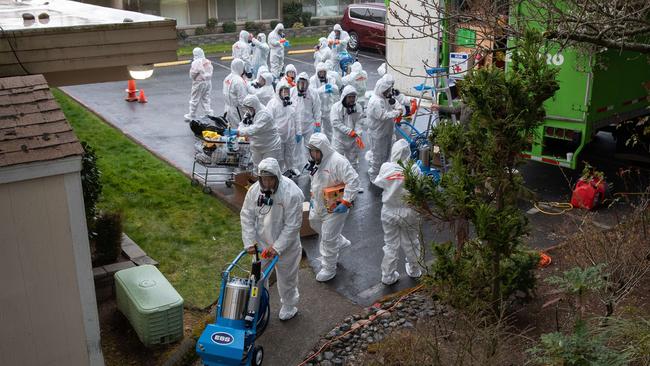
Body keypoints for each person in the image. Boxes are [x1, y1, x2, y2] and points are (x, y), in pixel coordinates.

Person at [240, 157, 304, 320]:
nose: (267, 183)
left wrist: (277, 247)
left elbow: (293, 225)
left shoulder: (292, 193)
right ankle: (258, 306)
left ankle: (289, 305)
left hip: (286, 247)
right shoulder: (254, 191)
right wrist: (249, 241)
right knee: (258, 278)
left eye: (270, 179)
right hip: (262, 245)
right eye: (263, 179)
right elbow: (246, 215)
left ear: (277, 177)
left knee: (287, 278)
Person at [306, 133, 360, 282]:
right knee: (314, 223)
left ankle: (329, 268)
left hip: (336, 206)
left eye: (315, 151)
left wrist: (346, 202)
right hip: (318, 203)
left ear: (323, 149)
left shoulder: (338, 161)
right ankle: (340, 240)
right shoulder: (316, 161)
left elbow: (353, 180)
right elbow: (315, 179)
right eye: (310, 150)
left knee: (328, 238)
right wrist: (312, 195)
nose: (312, 154)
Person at [372, 139, 423, 285]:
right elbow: (420, 189)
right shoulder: (413, 169)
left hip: (389, 211)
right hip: (409, 211)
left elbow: (379, 183)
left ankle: (387, 276)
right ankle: (414, 270)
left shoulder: (386, 168)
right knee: (411, 241)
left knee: (390, 244)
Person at [367, 75, 404, 182]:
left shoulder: (386, 98)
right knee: (378, 157)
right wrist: (396, 112)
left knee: (386, 155)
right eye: (387, 90)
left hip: (387, 131)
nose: (389, 92)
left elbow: (396, 104)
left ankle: (381, 174)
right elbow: (382, 116)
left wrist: (399, 108)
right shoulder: (376, 101)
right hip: (378, 134)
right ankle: (373, 177)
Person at [237, 95, 281, 169]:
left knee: (269, 169)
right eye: (246, 108)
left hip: (270, 146)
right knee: (257, 169)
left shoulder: (264, 115)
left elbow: (253, 130)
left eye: (249, 108)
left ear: (254, 106)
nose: (247, 110)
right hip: (257, 146)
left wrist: (238, 132)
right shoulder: (250, 112)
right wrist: (239, 130)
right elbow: (242, 124)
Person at [266, 79, 299, 176]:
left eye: (287, 91)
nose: (285, 93)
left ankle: (291, 168)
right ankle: (279, 172)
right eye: (283, 91)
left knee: (290, 153)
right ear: (278, 92)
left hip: (290, 134)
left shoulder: (291, 103)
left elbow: (297, 117)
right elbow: (268, 120)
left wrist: (298, 131)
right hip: (278, 135)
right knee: (279, 155)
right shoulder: (273, 104)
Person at [331, 85, 364, 176]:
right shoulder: (336, 107)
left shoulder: (358, 107)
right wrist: (349, 131)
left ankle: (354, 183)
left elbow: (359, 122)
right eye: (350, 97)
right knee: (337, 161)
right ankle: (338, 182)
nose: (352, 99)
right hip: (339, 140)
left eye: (353, 97)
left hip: (352, 140)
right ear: (344, 97)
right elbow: (335, 123)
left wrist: (358, 135)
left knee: (353, 163)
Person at [291, 72, 321, 171]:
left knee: (310, 146)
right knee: (294, 149)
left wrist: (317, 124)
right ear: (297, 82)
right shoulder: (292, 92)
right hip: (296, 126)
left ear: (308, 83)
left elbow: (317, 110)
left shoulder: (313, 93)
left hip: (309, 125)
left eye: (304, 83)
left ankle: (312, 163)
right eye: (300, 83)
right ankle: (294, 167)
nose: (302, 86)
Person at [310, 62, 340, 141]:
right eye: (320, 72)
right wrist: (323, 89)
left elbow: (336, 90)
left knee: (329, 130)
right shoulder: (313, 79)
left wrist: (332, 87)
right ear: (317, 72)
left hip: (328, 108)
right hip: (317, 110)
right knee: (316, 131)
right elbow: (312, 92)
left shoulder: (330, 78)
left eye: (324, 72)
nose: (322, 73)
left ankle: (329, 145)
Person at [185, 47, 214, 121]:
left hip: (199, 82)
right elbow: (211, 71)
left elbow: (193, 74)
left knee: (195, 98)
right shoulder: (207, 61)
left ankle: (192, 114)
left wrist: (193, 77)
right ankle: (209, 113)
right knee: (205, 98)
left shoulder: (196, 62)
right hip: (208, 82)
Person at [222, 58, 249, 127]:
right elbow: (243, 100)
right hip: (237, 111)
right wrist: (247, 112)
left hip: (227, 109)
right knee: (239, 130)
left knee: (230, 129)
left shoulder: (227, 78)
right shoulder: (239, 81)